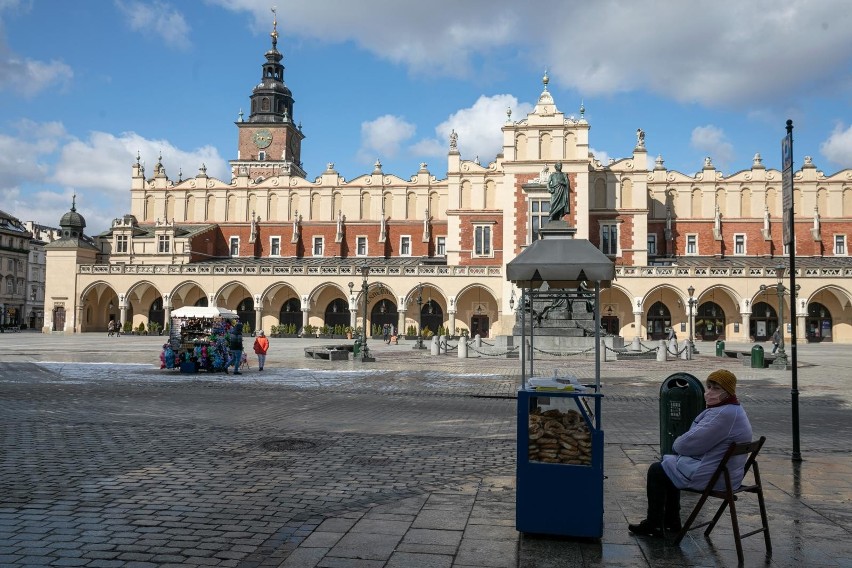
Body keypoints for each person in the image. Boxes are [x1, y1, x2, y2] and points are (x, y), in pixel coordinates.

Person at [628, 369, 753, 538]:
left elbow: (685, 445)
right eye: (708, 387)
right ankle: (671, 521)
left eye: (715, 388)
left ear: (728, 392)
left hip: (715, 476)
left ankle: (655, 523)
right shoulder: (734, 410)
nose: (709, 392)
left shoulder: (722, 415)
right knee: (669, 467)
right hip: (729, 474)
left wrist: (678, 444)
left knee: (657, 470)